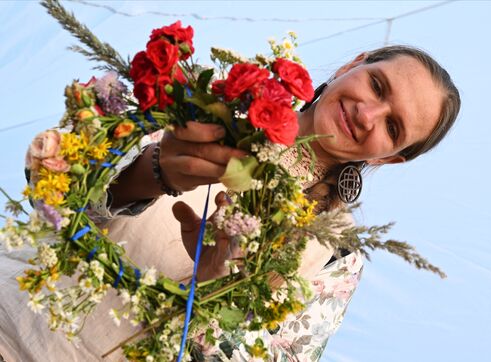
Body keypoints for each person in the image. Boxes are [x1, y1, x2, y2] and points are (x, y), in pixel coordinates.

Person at [0, 45, 460, 361]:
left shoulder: (334, 258)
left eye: (393, 127)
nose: (366, 113)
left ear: (393, 158)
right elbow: (51, 171)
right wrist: (152, 172)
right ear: (353, 64)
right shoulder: (210, 94)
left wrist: (206, 289)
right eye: (377, 86)